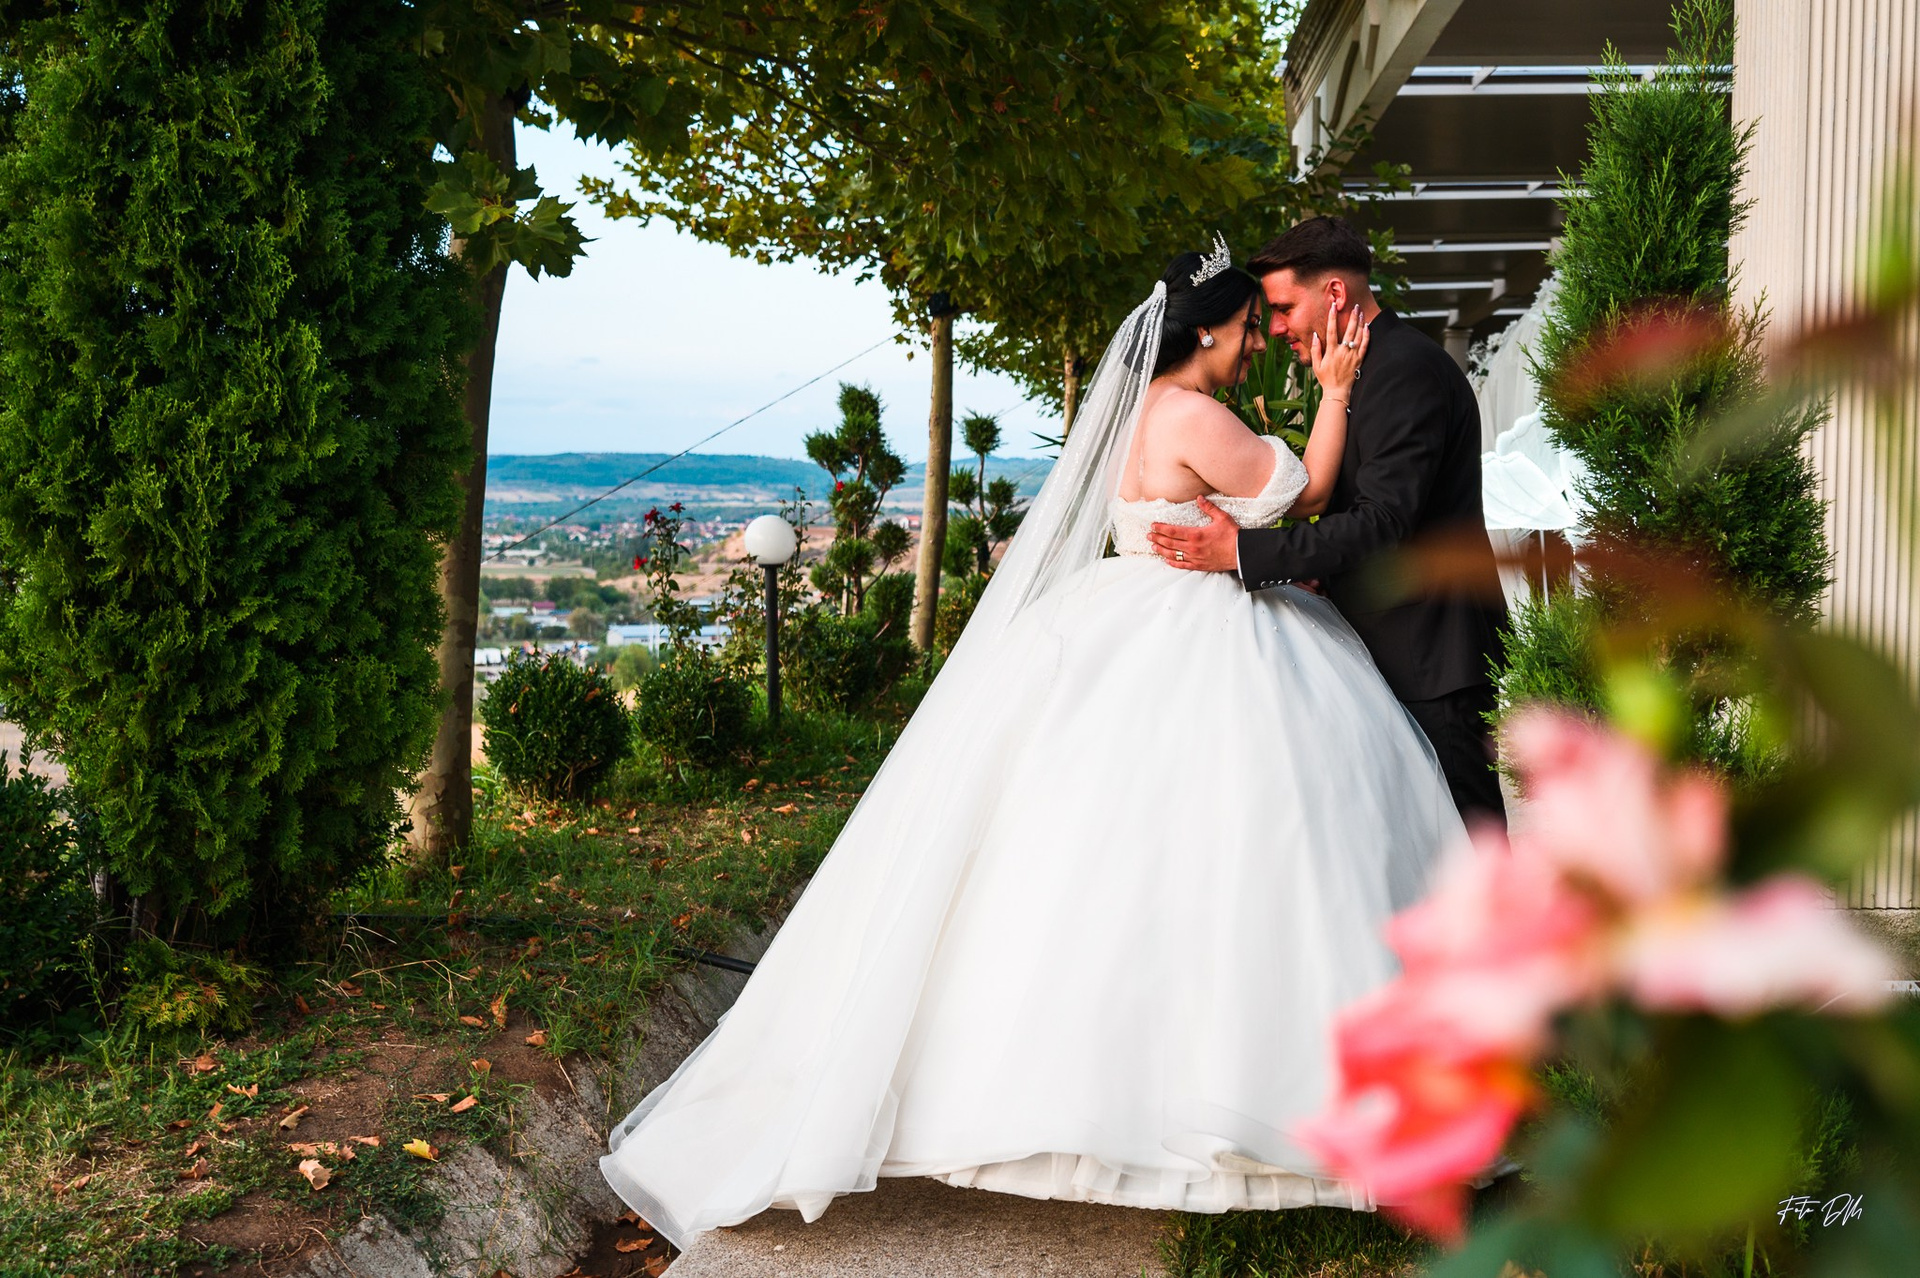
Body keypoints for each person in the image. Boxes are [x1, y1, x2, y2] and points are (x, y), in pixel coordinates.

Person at [600, 239, 1463, 1252]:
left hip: (1129, 615)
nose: (1252, 347)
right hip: (1200, 630)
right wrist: (1337, 391)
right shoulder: (1193, 414)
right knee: (1240, 845)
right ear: (1205, 333)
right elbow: (1306, 492)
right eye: (1242, 330)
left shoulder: (1139, 415)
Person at [1147, 216, 1510, 827]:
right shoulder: (1353, 367)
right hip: (1387, 645)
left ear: (1335, 293)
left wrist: (1243, 552)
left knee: (1469, 840)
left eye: (1283, 308)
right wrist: (1320, 574)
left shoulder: (1403, 368)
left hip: (1430, 656)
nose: (1275, 329)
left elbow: (1384, 520)